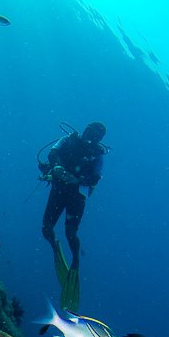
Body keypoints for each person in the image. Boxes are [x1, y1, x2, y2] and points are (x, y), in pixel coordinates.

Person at [39, 121, 107, 311]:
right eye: (90, 131)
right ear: (85, 129)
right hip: (59, 190)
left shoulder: (97, 155)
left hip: (76, 196)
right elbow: (52, 153)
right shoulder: (68, 140)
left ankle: (75, 261)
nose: (91, 136)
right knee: (46, 229)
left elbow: (95, 177)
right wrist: (57, 168)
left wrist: (77, 179)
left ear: (99, 139)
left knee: (70, 232)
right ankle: (55, 249)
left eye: (96, 135)